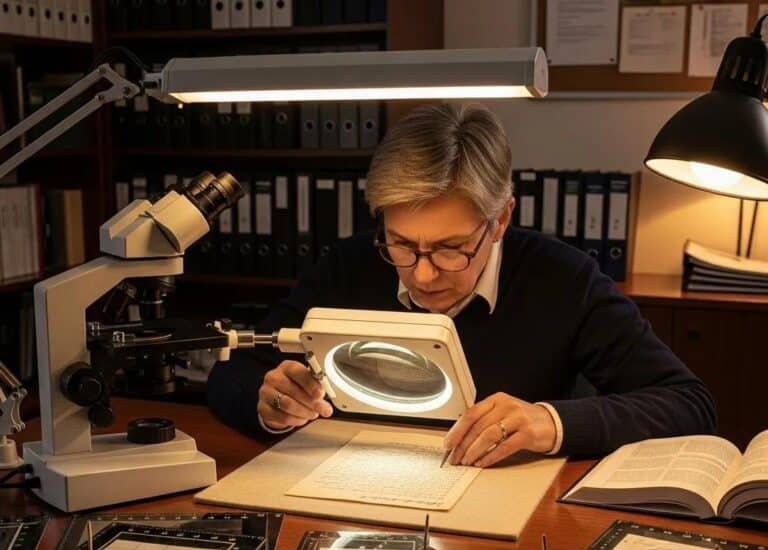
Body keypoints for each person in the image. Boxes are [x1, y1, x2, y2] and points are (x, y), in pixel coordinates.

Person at [208, 103, 716, 465]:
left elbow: (688, 402)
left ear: (500, 220)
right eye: (402, 244)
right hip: (357, 488)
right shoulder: (351, 265)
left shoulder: (562, 279)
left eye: (451, 248)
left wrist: (551, 423)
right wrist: (269, 403)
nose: (423, 274)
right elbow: (232, 371)